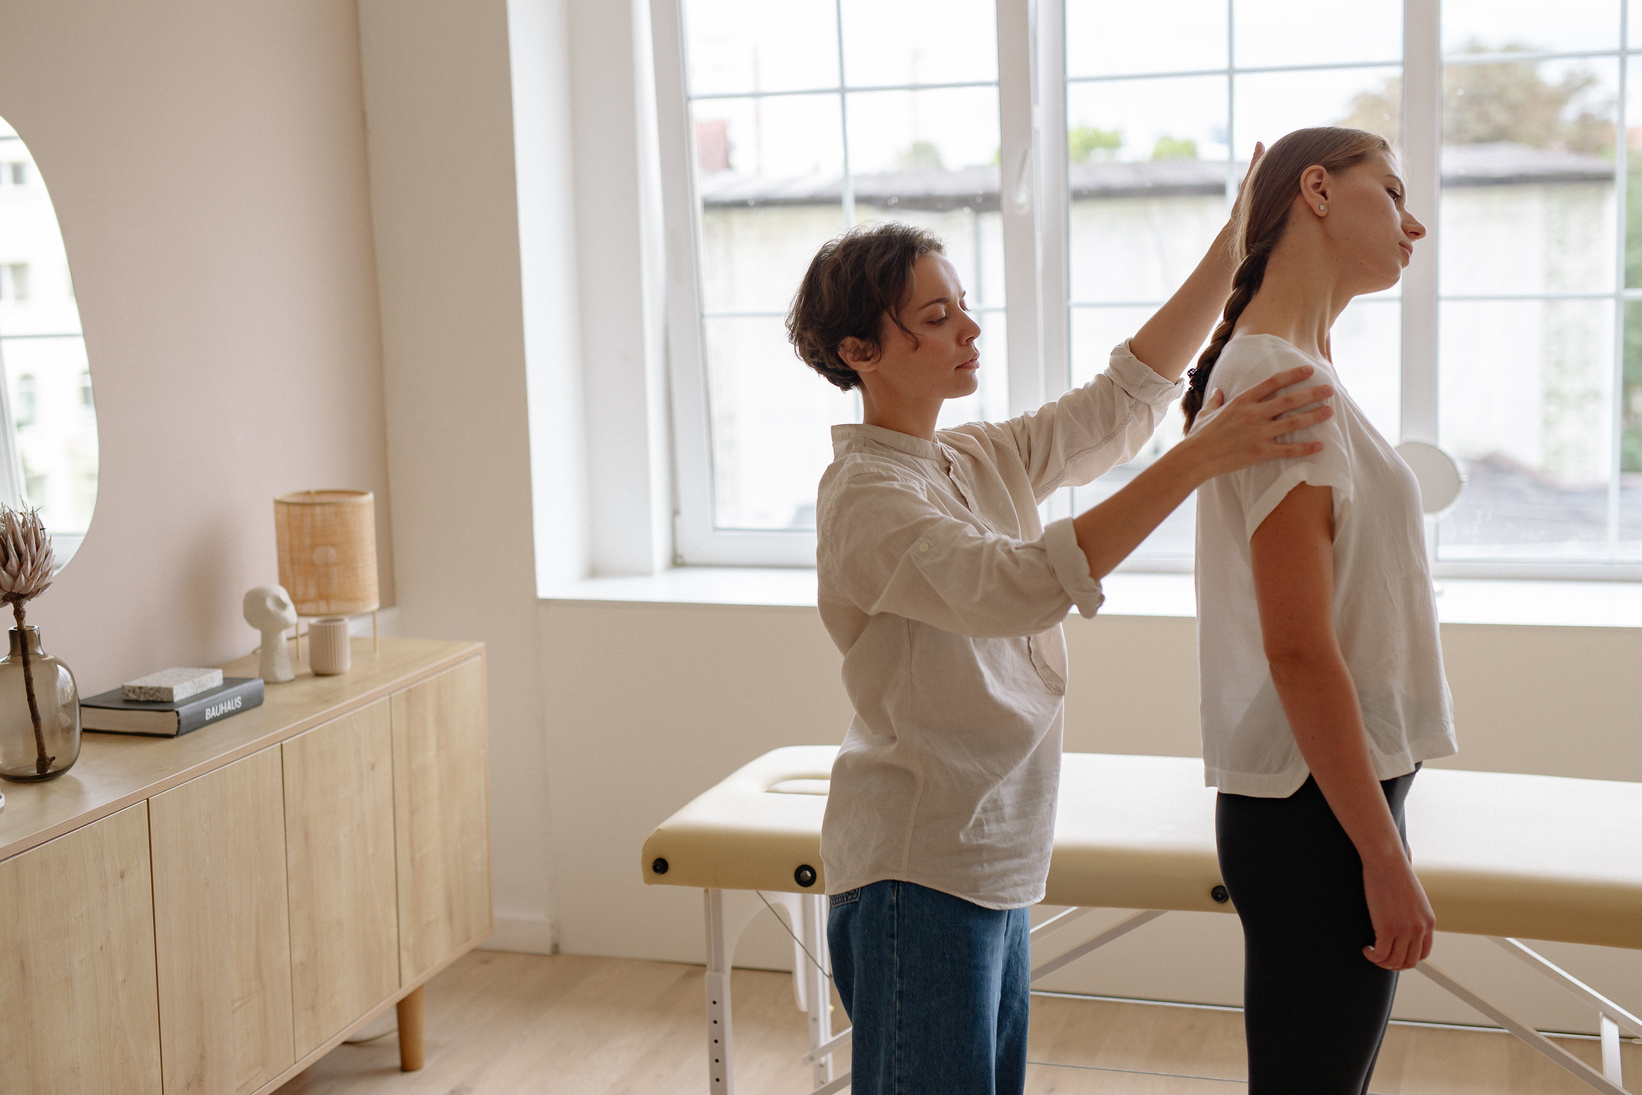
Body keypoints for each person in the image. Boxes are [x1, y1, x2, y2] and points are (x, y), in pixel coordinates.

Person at [784, 180, 1337, 1095]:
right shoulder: (867, 498)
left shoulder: (967, 456)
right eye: (936, 315)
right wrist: (1200, 454)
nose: (969, 328)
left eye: (964, 305)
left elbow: (1121, 400)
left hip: (993, 858)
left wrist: (1234, 245)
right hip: (913, 870)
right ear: (861, 351)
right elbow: (1017, 587)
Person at [1184, 127, 1458, 1094]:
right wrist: (1383, 859)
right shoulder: (1272, 376)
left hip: (1335, 796)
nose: (1412, 221)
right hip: (1315, 814)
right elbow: (1298, 646)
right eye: (1392, 190)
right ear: (1316, 191)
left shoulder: (1303, 365)